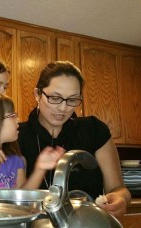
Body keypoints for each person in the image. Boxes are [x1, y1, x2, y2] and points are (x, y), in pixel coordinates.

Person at [18, 61, 131, 217]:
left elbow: (119, 188)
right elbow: (15, 204)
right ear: (37, 94)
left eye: (72, 100)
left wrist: (121, 198)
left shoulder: (94, 130)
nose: (63, 108)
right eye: (55, 98)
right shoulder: (17, 137)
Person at [0, 93, 64, 189]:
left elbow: (22, 197)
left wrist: (40, 169)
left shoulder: (15, 159)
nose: (17, 119)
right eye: (12, 115)